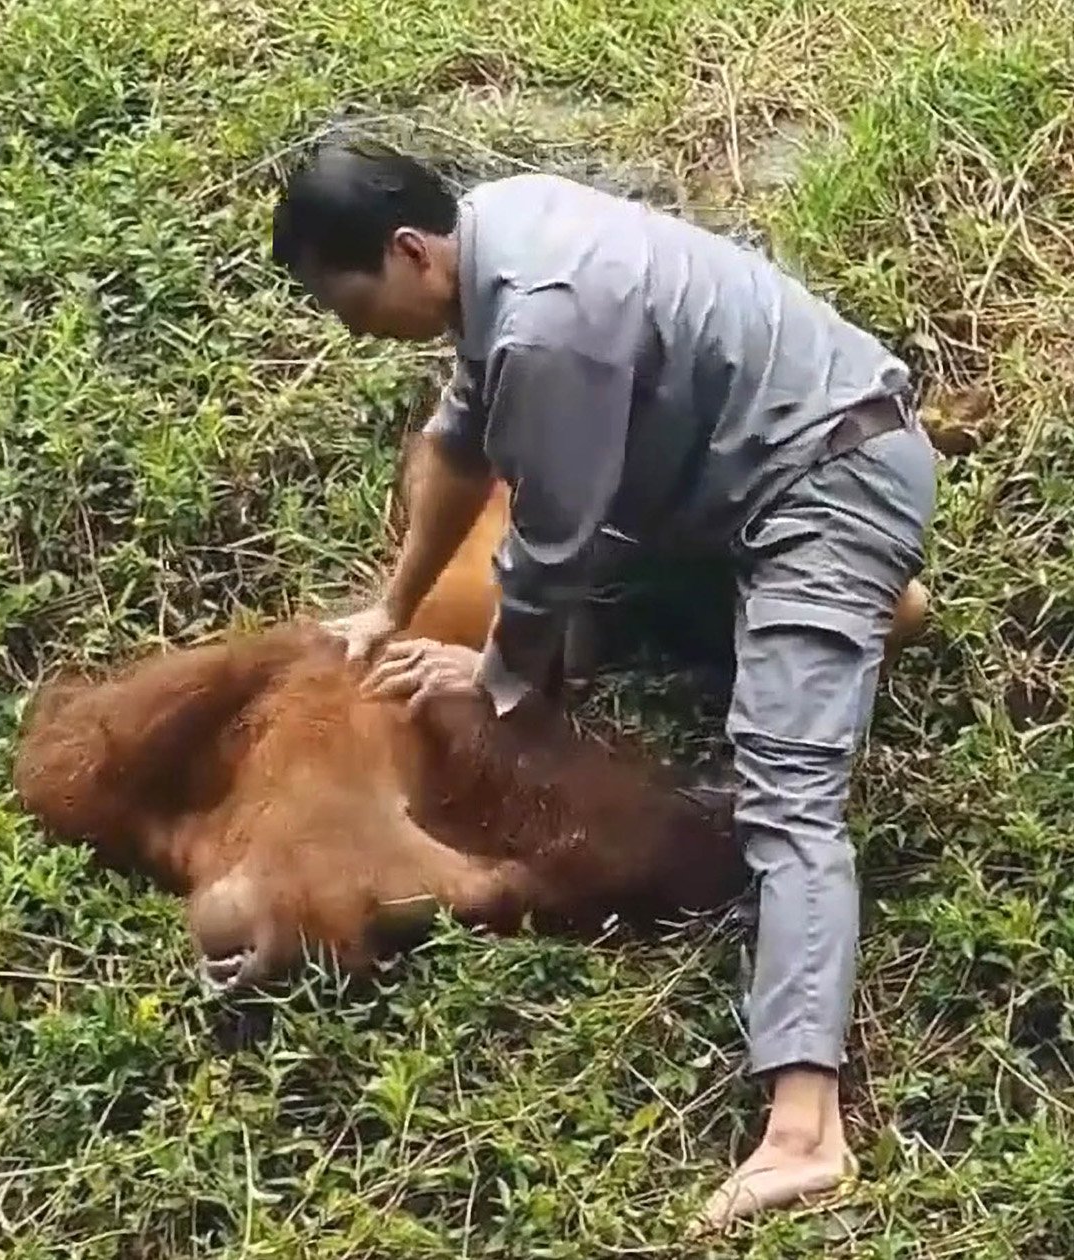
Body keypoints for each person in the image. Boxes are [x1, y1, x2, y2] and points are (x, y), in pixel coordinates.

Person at [265, 136, 938, 1230]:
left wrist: (497, 682)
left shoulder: (543, 320)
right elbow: (462, 442)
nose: (355, 333)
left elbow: (552, 546)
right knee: (598, 604)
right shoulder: (500, 228)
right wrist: (391, 612)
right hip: (732, 473)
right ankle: (853, 611)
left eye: (351, 307)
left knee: (785, 793)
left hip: (829, 476)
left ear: (406, 252)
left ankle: (807, 1133)